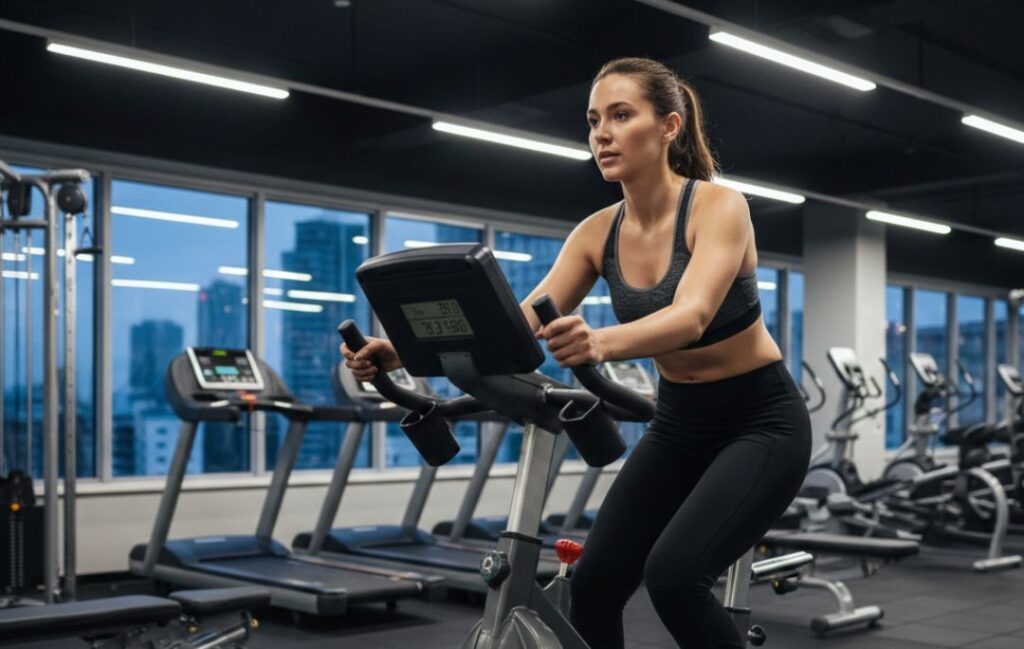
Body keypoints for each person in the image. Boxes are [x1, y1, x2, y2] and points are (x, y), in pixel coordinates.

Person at [342, 57, 811, 649]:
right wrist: (401, 352)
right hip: (679, 424)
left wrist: (600, 342)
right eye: (594, 121)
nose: (602, 134)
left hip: (761, 422)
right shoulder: (596, 233)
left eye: (621, 115)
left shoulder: (718, 207)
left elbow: (691, 316)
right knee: (592, 585)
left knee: (675, 577)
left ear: (668, 127)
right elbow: (513, 329)